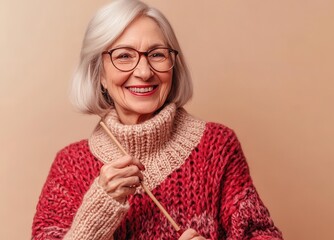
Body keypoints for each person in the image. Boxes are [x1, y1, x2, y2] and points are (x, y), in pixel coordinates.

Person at [32, 0, 283, 239]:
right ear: (99, 74)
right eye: (124, 56)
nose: (144, 72)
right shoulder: (69, 166)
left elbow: (261, 234)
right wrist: (97, 212)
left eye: (157, 55)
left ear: (174, 65)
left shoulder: (217, 147)